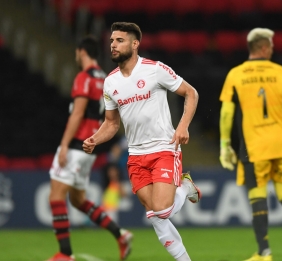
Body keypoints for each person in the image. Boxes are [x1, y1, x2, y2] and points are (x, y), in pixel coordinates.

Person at [82, 22, 201, 261]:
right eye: (112, 41)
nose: (113, 45)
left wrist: (183, 125)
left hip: (164, 148)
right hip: (136, 156)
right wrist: (95, 138)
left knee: (163, 209)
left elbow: (191, 93)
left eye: (120, 40)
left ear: (135, 44)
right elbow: (112, 123)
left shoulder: (155, 70)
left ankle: (185, 187)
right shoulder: (110, 82)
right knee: (156, 216)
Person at [219, 27, 282, 261]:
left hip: (255, 146)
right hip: (281, 144)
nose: (273, 49)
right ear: (263, 48)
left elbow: (226, 113)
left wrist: (225, 145)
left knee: (257, 195)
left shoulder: (236, 74)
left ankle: (264, 252)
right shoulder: (280, 72)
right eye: (271, 45)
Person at [47, 36, 132, 261]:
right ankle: (120, 234)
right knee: (78, 200)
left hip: (76, 145)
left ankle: (65, 254)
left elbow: (77, 113)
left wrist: (64, 145)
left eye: (77, 53)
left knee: (56, 197)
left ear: (82, 52)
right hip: (90, 148)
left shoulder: (83, 77)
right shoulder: (105, 78)